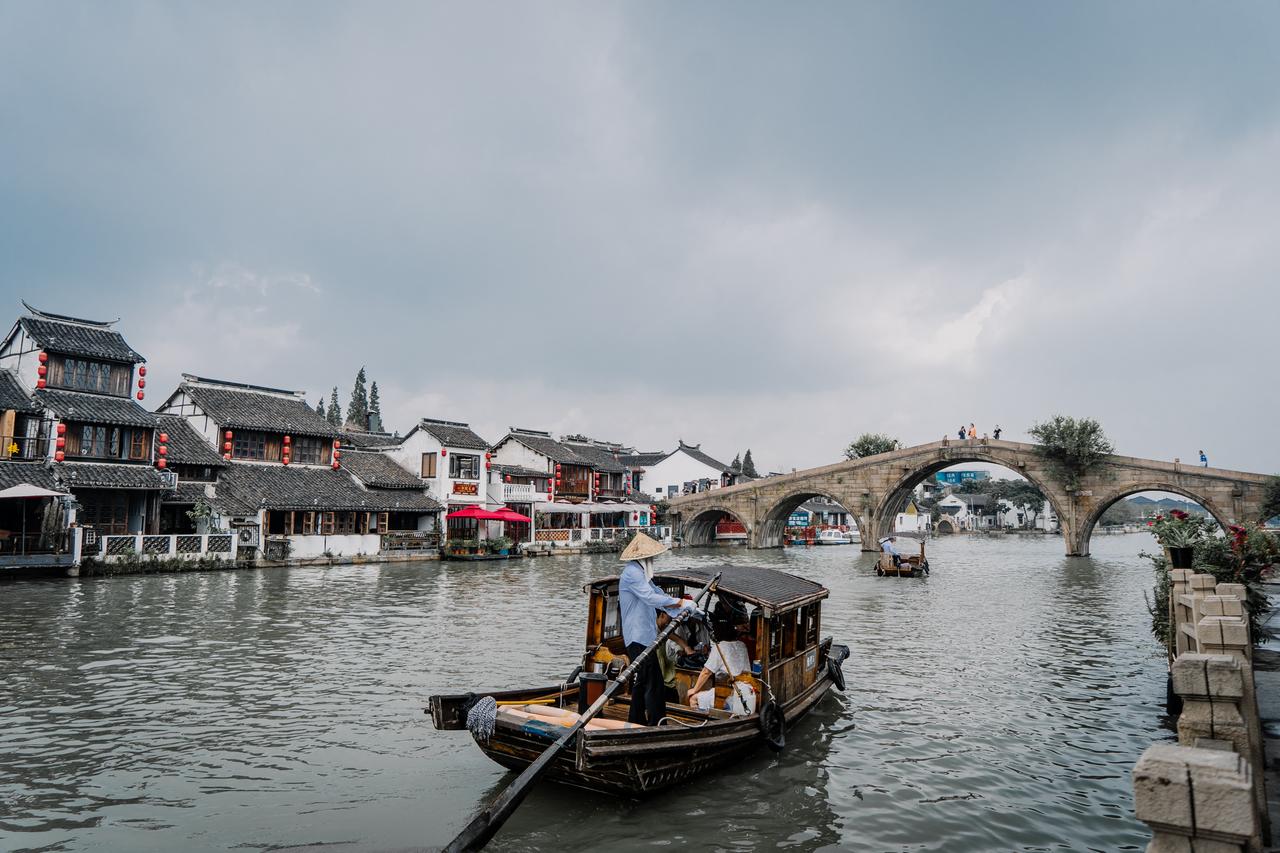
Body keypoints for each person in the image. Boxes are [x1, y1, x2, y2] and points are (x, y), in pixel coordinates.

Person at [617, 532, 694, 726]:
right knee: (654, 682)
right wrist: (679, 601)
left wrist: (682, 608)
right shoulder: (632, 573)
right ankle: (656, 723)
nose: (652, 560)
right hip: (637, 637)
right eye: (650, 557)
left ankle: (635, 720)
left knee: (642, 681)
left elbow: (657, 593)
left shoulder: (641, 574)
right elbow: (650, 598)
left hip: (644, 636)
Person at [686, 618, 757, 716]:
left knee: (693, 698)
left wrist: (694, 690)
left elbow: (706, 672)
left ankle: (702, 724)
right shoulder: (742, 645)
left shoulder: (720, 646)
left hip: (729, 692)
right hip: (744, 688)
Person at [655, 609, 699, 702]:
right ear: (662, 615)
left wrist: (686, 648)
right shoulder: (652, 628)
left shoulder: (663, 627)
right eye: (669, 616)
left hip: (665, 671)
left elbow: (675, 638)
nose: (671, 619)